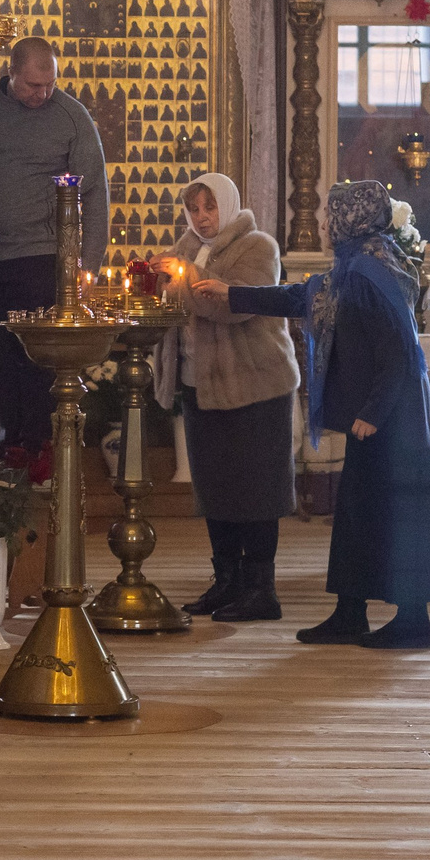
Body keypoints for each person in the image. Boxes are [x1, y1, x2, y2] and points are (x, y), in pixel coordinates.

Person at [199, 180, 430, 650]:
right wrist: (232, 294)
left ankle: (414, 622)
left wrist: (373, 411)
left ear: (350, 219)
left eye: (329, 215)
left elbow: (400, 349)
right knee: (357, 518)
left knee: (397, 518)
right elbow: (301, 297)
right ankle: (350, 614)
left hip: (392, 423)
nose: (322, 224)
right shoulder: (355, 265)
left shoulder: (372, 271)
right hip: (378, 421)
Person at [0, 37, 109, 450]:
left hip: (43, 260)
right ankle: (11, 450)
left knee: (38, 364)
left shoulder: (71, 116)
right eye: (33, 85)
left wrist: (88, 266)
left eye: (50, 84)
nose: (42, 94)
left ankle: (42, 453)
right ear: (10, 73)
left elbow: (95, 192)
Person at [153, 172, 299, 624]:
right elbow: (174, 304)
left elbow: (232, 307)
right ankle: (227, 582)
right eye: (194, 209)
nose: (202, 217)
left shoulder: (258, 246)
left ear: (228, 205)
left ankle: (261, 590)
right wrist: (154, 282)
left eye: (210, 207)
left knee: (256, 489)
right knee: (214, 489)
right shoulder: (183, 249)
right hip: (200, 384)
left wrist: (181, 280)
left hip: (255, 386)